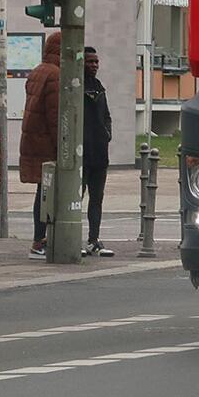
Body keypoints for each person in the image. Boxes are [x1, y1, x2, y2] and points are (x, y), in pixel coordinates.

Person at [20, 32, 61, 259]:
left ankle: (41, 238)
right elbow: (56, 117)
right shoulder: (55, 75)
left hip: (34, 140)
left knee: (43, 191)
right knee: (47, 193)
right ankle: (40, 240)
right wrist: (61, 147)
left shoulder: (38, 71)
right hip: (47, 144)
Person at [82, 47, 114, 257]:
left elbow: (106, 115)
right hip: (81, 154)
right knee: (76, 198)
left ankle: (94, 239)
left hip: (99, 154)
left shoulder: (99, 88)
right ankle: (73, 240)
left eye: (96, 62)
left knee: (97, 199)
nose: (94, 65)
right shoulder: (75, 86)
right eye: (90, 62)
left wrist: (107, 134)